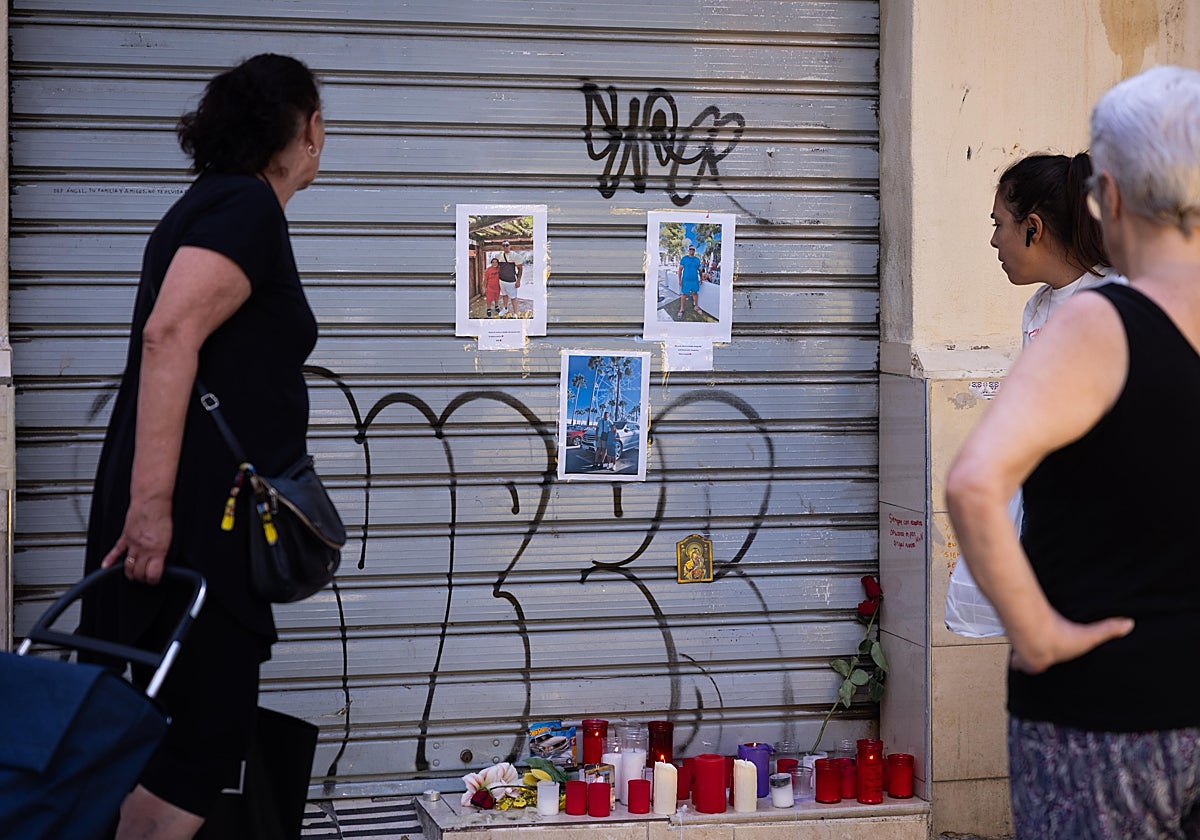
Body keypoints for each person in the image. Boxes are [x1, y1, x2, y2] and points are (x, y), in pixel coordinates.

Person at [946, 65, 1200, 839]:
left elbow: (974, 484)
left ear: (1111, 196)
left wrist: (1041, 637)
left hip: (1110, 722)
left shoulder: (1098, 322)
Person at [78, 54, 325, 839]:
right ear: (309, 131)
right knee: (202, 744)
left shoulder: (211, 205)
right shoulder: (244, 212)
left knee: (154, 743)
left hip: (183, 523)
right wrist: (151, 512)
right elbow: (170, 334)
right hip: (191, 535)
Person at [496, 239, 522, 316]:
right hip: (502, 280)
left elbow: (520, 269)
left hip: (511, 281)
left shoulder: (515, 256)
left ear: (510, 246)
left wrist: (518, 280)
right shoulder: (499, 256)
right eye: (503, 245)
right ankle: (505, 309)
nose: (505, 247)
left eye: (507, 245)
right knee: (504, 295)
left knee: (513, 297)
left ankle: (515, 313)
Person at [677, 244, 701, 317]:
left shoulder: (697, 260)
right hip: (686, 281)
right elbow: (680, 270)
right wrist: (679, 280)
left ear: (694, 251)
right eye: (690, 249)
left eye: (693, 249)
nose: (691, 250)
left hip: (694, 281)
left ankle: (696, 306)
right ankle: (682, 308)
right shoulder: (684, 259)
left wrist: (701, 279)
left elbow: (700, 270)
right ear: (688, 250)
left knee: (695, 293)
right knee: (684, 295)